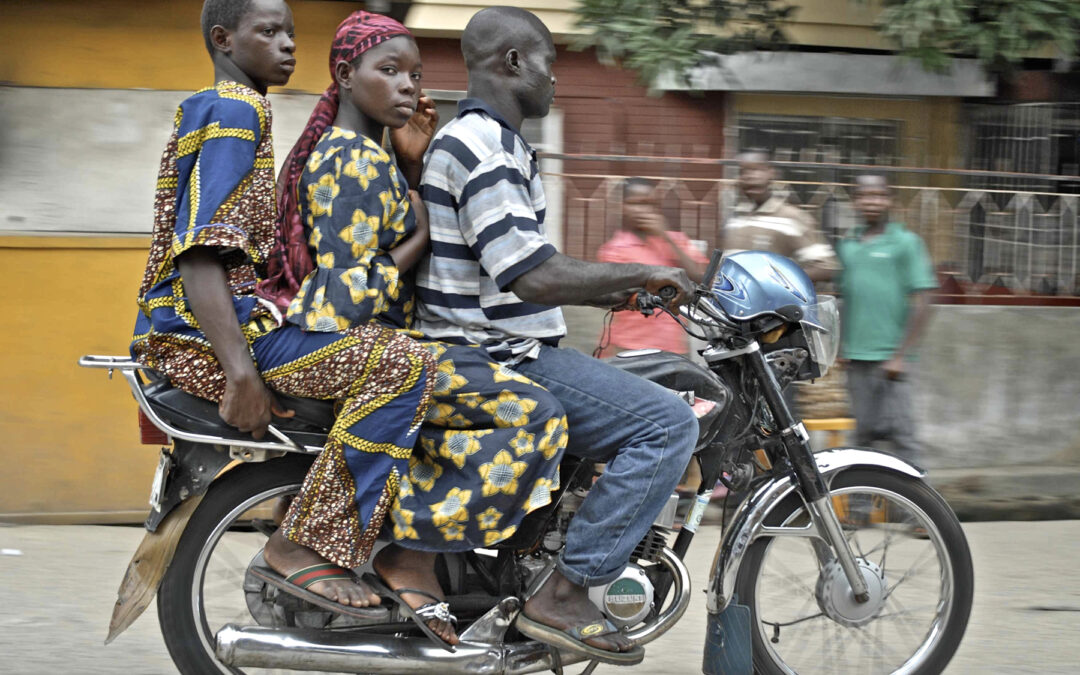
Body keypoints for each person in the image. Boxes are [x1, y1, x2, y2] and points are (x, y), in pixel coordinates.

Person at [131, 0, 436, 622]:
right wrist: (240, 372)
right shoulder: (233, 110)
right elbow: (200, 256)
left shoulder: (238, 109)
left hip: (205, 329)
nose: (289, 45)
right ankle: (304, 544)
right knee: (401, 365)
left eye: (291, 32)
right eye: (268, 32)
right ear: (223, 39)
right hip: (198, 335)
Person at [416, 6, 698, 664]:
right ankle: (567, 592)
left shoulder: (494, 144)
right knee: (666, 425)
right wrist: (641, 269)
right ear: (513, 62)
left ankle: (538, 568)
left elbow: (519, 265)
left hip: (496, 343)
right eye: (550, 63)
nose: (555, 80)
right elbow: (531, 275)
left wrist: (622, 288)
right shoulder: (483, 144)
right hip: (496, 355)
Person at [274, 10, 566, 645]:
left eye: (414, 72)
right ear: (346, 76)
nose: (409, 85)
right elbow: (346, 293)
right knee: (533, 414)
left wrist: (410, 169)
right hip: (357, 343)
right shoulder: (348, 159)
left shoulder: (372, 154)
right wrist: (428, 230)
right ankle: (406, 552)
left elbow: (383, 242)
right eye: (390, 71)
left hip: (389, 339)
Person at [837, 174, 937, 463]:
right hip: (857, 361)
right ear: (856, 201)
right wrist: (842, 347)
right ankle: (861, 504)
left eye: (879, 195)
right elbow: (846, 298)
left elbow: (925, 301)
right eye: (865, 195)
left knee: (903, 438)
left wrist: (901, 355)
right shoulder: (849, 245)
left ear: (890, 200)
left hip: (893, 362)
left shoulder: (906, 243)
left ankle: (916, 506)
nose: (872, 201)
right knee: (863, 438)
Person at [595, 178, 707, 357]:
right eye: (635, 203)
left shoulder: (676, 241)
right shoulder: (614, 250)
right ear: (622, 206)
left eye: (649, 204)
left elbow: (701, 279)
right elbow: (616, 297)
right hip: (628, 345)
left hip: (671, 347)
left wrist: (666, 238)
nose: (643, 210)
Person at [724, 150, 839, 282]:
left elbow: (826, 268)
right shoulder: (735, 220)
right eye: (743, 172)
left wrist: (780, 280)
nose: (750, 176)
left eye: (757, 170)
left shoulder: (791, 217)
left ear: (771, 173)